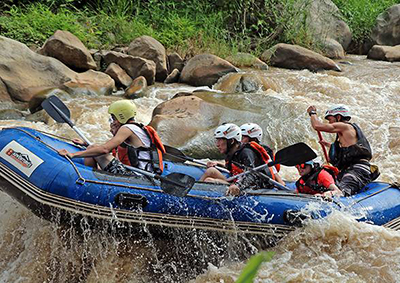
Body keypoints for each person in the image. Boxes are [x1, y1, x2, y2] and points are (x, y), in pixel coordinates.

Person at [58, 100, 165, 176]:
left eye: (113, 118)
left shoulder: (127, 128)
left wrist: (72, 155)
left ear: (121, 116)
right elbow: (113, 149)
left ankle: (91, 181)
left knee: (92, 149)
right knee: (91, 147)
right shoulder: (136, 128)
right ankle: (93, 177)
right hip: (144, 174)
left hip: (137, 176)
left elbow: (104, 149)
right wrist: (86, 144)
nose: (112, 122)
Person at [307, 104, 374, 196]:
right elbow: (347, 151)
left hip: (358, 169)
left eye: (330, 120)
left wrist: (312, 113)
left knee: (342, 192)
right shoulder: (344, 135)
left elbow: (317, 126)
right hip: (349, 169)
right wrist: (329, 145)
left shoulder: (345, 126)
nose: (330, 123)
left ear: (338, 117)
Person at [199, 123, 282, 196]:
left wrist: (238, 185)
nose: (217, 144)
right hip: (239, 182)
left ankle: (195, 196)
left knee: (209, 180)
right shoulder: (231, 153)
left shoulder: (246, 152)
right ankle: (191, 191)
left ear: (231, 141)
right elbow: (235, 169)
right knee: (211, 171)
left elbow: (253, 175)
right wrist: (218, 164)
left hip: (255, 188)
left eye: (220, 140)